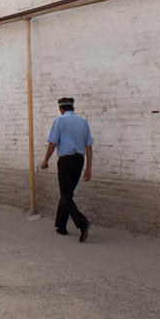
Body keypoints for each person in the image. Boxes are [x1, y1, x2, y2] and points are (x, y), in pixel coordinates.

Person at [40, 97, 92, 242]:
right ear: (72, 108)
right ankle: (61, 226)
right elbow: (89, 146)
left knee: (65, 195)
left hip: (66, 161)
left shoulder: (60, 121)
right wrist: (88, 167)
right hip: (79, 160)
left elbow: (52, 143)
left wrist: (45, 161)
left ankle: (82, 222)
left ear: (61, 109)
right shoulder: (83, 122)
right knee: (67, 193)